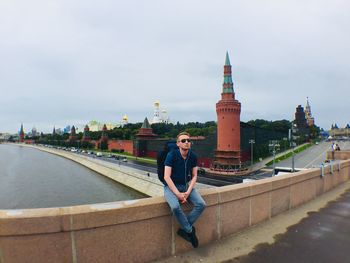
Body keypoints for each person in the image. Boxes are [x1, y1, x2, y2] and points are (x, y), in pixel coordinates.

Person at [163, 132, 206, 248]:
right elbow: (166, 177)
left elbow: (194, 176)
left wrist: (187, 192)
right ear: (178, 144)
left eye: (188, 140)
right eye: (183, 141)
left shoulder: (193, 156)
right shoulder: (171, 155)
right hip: (171, 187)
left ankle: (184, 229)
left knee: (201, 204)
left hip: (186, 186)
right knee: (175, 207)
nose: (186, 142)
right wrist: (178, 194)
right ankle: (190, 231)